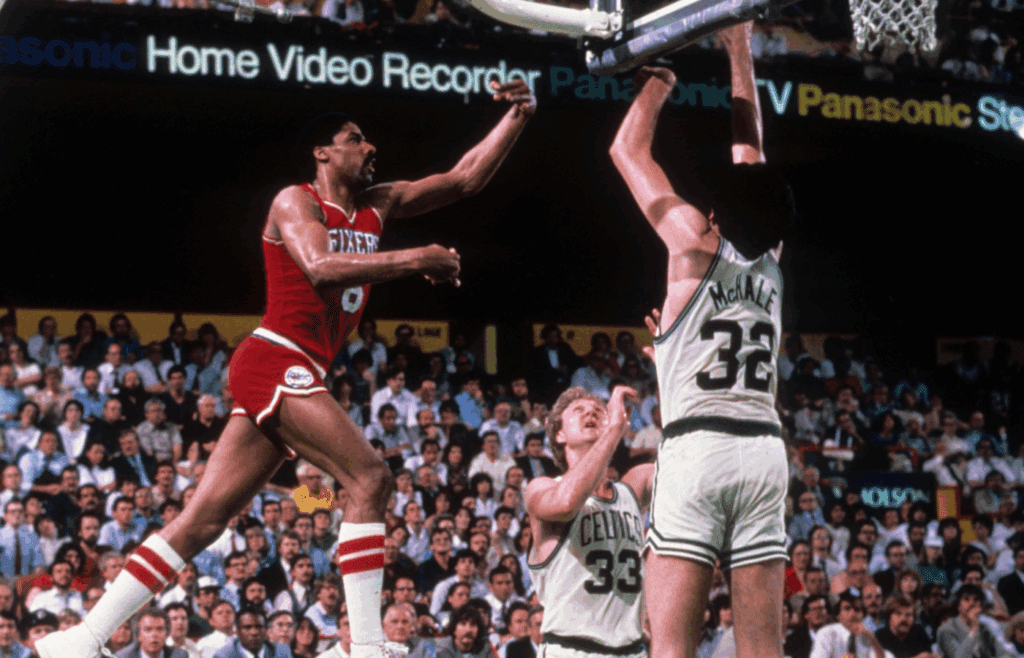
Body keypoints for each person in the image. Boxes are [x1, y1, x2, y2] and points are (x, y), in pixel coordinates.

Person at [39, 82, 536, 658]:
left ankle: (82, 638)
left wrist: (519, 117)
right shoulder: (293, 201)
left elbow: (464, 177)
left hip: (297, 366)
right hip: (274, 355)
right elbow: (322, 268)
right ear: (323, 153)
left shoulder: (381, 201)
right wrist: (415, 258)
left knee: (203, 520)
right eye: (355, 139)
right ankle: (368, 647)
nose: (369, 146)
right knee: (371, 478)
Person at [608, 22, 794, 658]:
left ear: (716, 210)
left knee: (672, 649)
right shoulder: (770, 254)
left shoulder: (691, 242)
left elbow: (627, 153)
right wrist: (739, 48)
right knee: (762, 650)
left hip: (697, 449)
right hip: (766, 450)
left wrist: (657, 84)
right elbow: (753, 158)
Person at [525, 386, 652, 658]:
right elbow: (567, 503)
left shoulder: (634, 486)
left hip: (631, 650)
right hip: (571, 648)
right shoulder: (541, 488)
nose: (591, 413)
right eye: (579, 411)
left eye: (598, 411)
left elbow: (688, 472)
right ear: (559, 434)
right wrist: (613, 430)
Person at [213, 608, 290, 658]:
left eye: (259, 627)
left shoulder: (282, 651)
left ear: (266, 630)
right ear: (237, 631)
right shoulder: (223, 656)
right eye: (247, 627)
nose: (254, 632)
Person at [115, 608, 187, 658]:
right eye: (148, 629)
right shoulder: (122, 657)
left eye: (160, 629)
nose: (154, 634)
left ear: (166, 634)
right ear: (138, 635)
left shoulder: (179, 655)